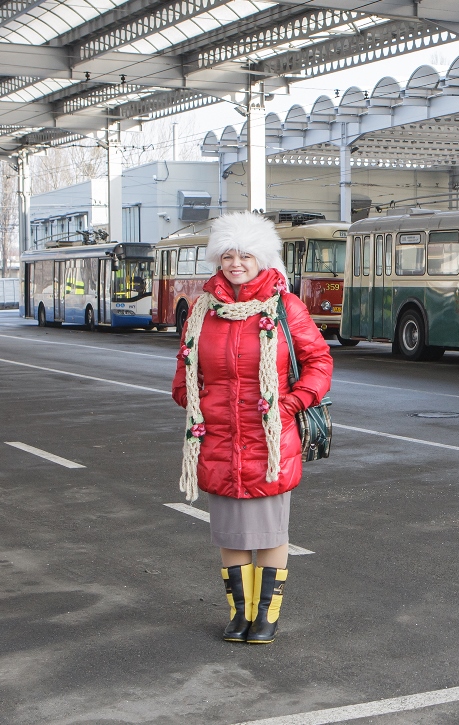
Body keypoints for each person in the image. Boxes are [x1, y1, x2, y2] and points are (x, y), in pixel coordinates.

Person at [171, 212, 333, 645]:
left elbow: (319, 361)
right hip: (220, 439)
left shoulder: (285, 307)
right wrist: (195, 401)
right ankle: (239, 615)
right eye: (227, 254)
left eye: (245, 254)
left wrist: (294, 402)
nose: (235, 262)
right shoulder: (203, 309)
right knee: (231, 533)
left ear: (262, 258)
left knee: (270, 533)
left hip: (270, 441)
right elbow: (185, 372)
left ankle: (267, 617)